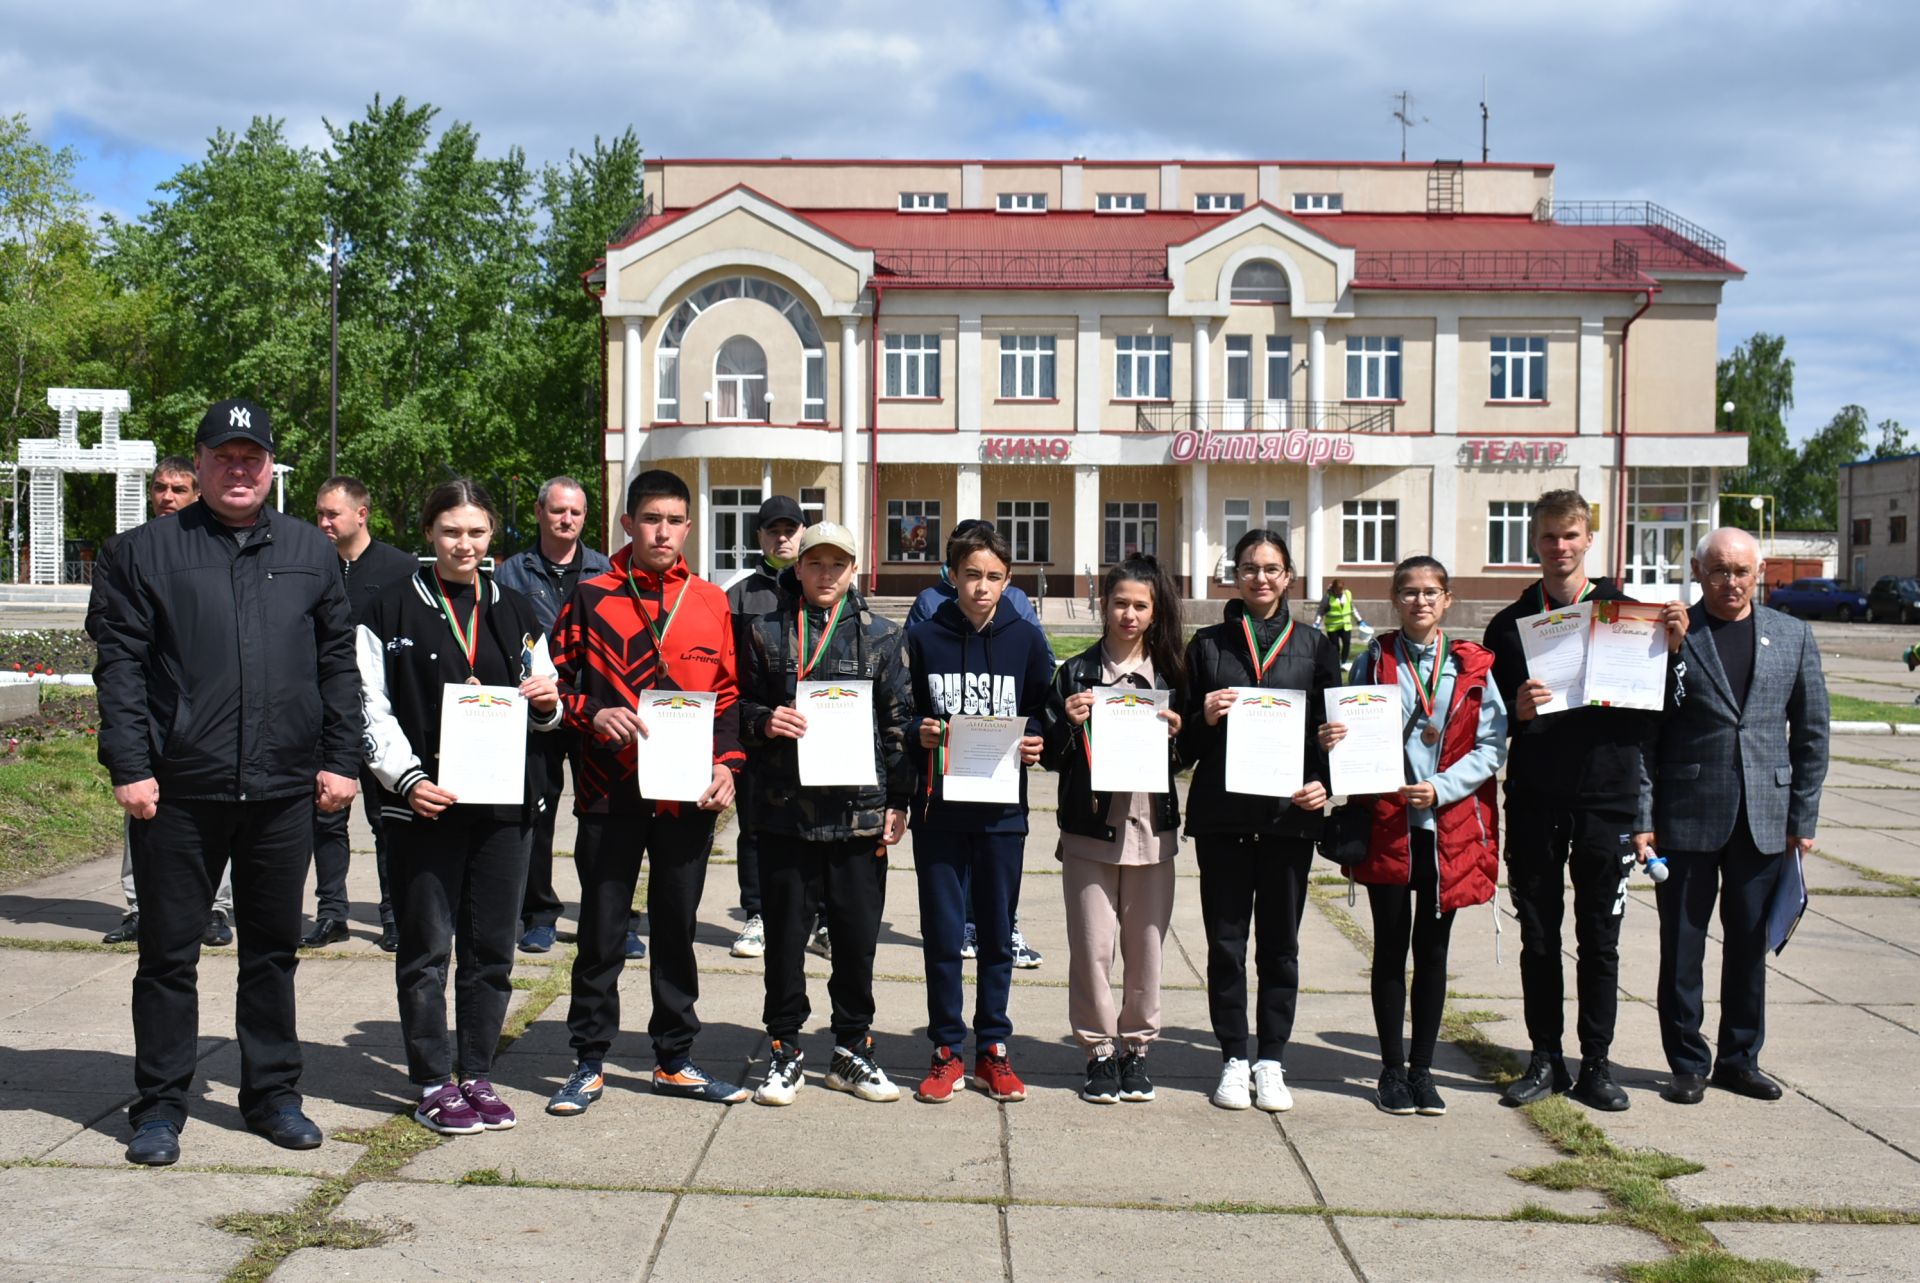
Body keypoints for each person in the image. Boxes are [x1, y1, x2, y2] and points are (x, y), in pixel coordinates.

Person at [92, 399, 362, 1167]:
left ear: (271, 467)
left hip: (281, 790)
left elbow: (338, 667)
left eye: (253, 457)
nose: (239, 469)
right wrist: (132, 765)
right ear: (199, 463)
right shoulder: (143, 552)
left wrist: (341, 759)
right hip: (178, 791)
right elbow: (120, 669)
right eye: (224, 456)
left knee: (272, 952)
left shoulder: (312, 552)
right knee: (168, 955)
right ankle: (159, 1104)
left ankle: (273, 1094)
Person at [357, 479, 561, 1134]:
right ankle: (432, 1079)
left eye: (475, 532)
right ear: (429, 533)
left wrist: (548, 700)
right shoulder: (385, 608)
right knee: (425, 947)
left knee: (491, 948)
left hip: (503, 808)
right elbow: (369, 708)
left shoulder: (521, 610)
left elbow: (547, 689)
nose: (464, 544)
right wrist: (408, 778)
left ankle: (477, 1070)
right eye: (451, 531)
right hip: (426, 804)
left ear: (491, 535)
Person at [545, 469, 748, 1114]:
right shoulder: (589, 596)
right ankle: (588, 1060)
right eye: (650, 519)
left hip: (686, 795)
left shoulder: (711, 601)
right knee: (602, 929)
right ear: (627, 524)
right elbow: (549, 686)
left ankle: (674, 1058)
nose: (663, 531)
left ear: (689, 527)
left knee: (676, 930)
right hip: (610, 791)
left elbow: (729, 699)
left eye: (674, 520)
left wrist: (729, 767)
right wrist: (589, 713)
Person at [1482, 489, 1687, 1113]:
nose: (1560, 547)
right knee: (1539, 937)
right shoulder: (1509, 625)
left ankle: (1596, 1064)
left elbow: (1668, 711)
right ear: (1534, 542)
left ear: (1589, 539)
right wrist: (1515, 712)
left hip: (1608, 797)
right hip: (1538, 797)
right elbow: (1489, 724)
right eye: (1549, 536)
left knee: (1600, 937)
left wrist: (1674, 653)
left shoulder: (1631, 612)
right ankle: (1545, 1057)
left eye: (1570, 535)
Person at [1645, 528, 1829, 1106]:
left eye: (1741, 571)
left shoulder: (1792, 635)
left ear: (1761, 573)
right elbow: (1650, 731)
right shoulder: (1674, 631)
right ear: (1699, 572)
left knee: (1750, 945)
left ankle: (1739, 1059)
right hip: (1688, 813)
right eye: (1719, 570)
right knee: (1683, 946)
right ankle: (1687, 1063)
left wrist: (1804, 817)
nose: (1731, 582)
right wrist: (1643, 816)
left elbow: (1812, 733)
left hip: (1765, 816)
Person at [1321, 556, 1507, 1117]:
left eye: (1431, 592)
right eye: (1409, 592)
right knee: (1389, 950)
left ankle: (1424, 1071)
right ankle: (1390, 1071)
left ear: (1447, 600)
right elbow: (1347, 729)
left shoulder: (1472, 665)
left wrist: (1441, 786)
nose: (1420, 601)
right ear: (1393, 600)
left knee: (1432, 953)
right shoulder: (1373, 660)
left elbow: (1493, 747)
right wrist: (1334, 738)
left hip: (1444, 830)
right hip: (1387, 827)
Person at [736, 521, 912, 1105]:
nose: (826, 574)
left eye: (838, 564)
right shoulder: (763, 633)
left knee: (857, 942)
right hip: (785, 814)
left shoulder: (881, 637)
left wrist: (900, 801)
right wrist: (764, 719)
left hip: (859, 819)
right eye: (815, 563)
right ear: (799, 567)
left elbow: (898, 727)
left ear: (852, 569)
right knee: (785, 941)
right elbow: (735, 707)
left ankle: (852, 1050)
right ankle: (784, 1049)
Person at [1181, 528, 1340, 1112]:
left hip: (1287, 818)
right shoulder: (1208, 644)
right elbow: (1185, 746)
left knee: (1280, 946)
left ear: (1289, 576)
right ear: (1235, 576)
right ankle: (1232, 1057)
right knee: (1225, 945)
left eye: (1272, 569)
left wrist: (1326, 779)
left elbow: (1332, 732)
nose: (1261, 578)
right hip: (1224, 816)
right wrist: (1202, 714)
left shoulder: (1317, 645)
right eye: (1249, 568)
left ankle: (1271, 1058)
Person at [905, 523, 1053, 1103]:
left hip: (1001, 814)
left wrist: (1039, 737)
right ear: (952, 575)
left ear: (1007, 580)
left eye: (994, 577)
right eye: (971, 575)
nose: (982, 587)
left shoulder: (1025, 639)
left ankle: (993, 1047)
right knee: (942, 934)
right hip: (939, 811)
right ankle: (946, 1050)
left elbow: (1043, 709)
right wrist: (916, 730)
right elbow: (904, 709)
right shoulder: (924, 638)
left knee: (996, 933)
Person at [1041, 556, 1185, 1105]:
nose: (1129, 614)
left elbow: (1192, 750)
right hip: (1089, 830)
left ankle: (1137, 1050)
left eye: (1140, 606)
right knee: (1092, 948)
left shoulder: (1172, 674)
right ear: (1104, 604)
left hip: (1153, 830)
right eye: (1120, 602)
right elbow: (1050, 758)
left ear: (1155, 612)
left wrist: (1178, 732)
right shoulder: (1075, 673)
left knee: (1146, 949)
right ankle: (1099, 1051)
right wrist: (1067, 722)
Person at [88, 456, 235, 947]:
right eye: (160, 488)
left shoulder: (219, 547)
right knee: (141, 803)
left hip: (208, 705)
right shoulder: (125, 550)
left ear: (198, 494)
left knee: (224, 806)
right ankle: (139, 905)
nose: (167, 497)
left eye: (178, 488)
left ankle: (216, 908)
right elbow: (105, 625)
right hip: (150, 704)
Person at [492, 476, 615, 956]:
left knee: (602, 819)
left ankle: (608, 916)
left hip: (593, 712)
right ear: (540, 512)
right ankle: (538, 914)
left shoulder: (604, 571)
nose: (567, 520)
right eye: (559, 511)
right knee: (535, 817)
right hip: (535, 713)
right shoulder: (511, 574)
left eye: (577, 513)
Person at [307, 476, 420, 952]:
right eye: (320, 514)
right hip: (324, 713)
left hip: (380, 714)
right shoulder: (311, 565)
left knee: (387, 818)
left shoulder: (400, 568)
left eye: (332, 514)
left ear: (361, 513)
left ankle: (395, 913)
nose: (324, 523)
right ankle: (332, 912)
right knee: (326, 816)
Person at [722, 494, 805, 960]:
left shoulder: (821, 582)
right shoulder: (740, 593)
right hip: (759, 728)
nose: (783, 537)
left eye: (790, 528)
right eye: (773, 529)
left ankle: (821, 919)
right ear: (760, 537)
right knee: (754, 826)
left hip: (816, 725)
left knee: (818, 824)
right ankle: (756, 914)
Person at [1318, 578, 1357, 664]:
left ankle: (1344, 662)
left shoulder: (1347, 594)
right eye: (1338, 591)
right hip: (1333, 627)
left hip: (1345, 626)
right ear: (1334, 589)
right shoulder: (1328, 596)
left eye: (1341, 591)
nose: (1339, 593)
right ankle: (1335, 663)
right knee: (1335, 647)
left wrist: (1360, 620)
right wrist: (1317, 622)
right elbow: (1321, 610)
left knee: (1347, 643)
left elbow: (1352, 608)